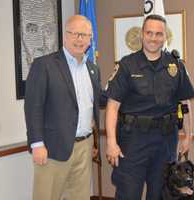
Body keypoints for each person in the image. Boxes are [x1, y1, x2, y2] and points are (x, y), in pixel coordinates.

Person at [105, 14, 194, 200]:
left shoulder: (176, 65)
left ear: (165, 37)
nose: (154, 38)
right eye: (149, 33)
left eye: (159, 34)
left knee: (161, 194)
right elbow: (112, 106)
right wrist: (111, 142)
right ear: (142, 35)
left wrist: (188, 134)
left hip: (165, 141)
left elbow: (185, 102)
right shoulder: (127, 65)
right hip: (132, 141)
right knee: (129, 194)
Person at [24, 15, 105, 200]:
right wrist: (37, 144)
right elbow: (33, 107)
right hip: (52, 149)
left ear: (90, 39)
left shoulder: (92, 69)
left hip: (84, 148)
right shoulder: (44, 65)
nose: (80, 39)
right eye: (75, 34)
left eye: (85, 35)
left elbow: (97, 102)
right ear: (65, 36)